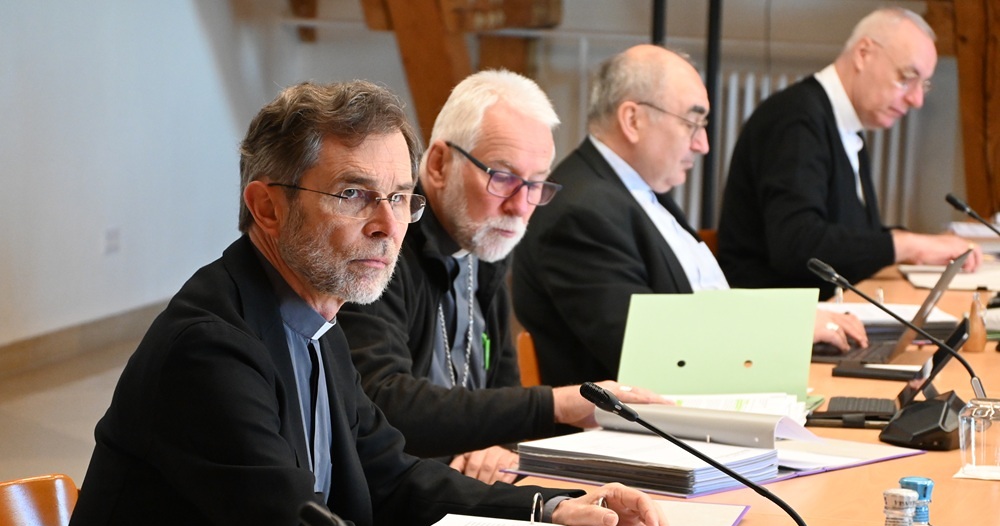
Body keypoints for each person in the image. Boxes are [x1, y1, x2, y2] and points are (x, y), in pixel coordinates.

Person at [33, 81, 671, 526]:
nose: (388, 227)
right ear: (267, 207)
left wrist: (550, 508)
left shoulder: (314, 316)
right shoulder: (209, 349)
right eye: (353, 195)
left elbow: (392, 478)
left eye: (398, 197)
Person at [338, 69, 663, 485]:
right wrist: (556, 405)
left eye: (536, 184)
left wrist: (497, 445)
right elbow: (381, 401)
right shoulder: (383, 244)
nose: (520, 207)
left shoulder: (483, 242)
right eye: (503, 177)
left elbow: (500, 392)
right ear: (438, 164)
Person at [512, 45, 867, 388]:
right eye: (692, 123)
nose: (703, 145)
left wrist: (791, 319)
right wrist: (784, 332)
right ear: (633, 120)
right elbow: (648, 353)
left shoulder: (632, 191)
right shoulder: (582, 213)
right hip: (643, 421)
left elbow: (702, 305)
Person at [717, 6, 981, 300]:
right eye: (907, 77)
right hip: (777, 314)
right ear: (863, 53)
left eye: (924, 85)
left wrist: (922, 244)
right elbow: (797, 245)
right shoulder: (795, 120)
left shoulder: (842, 121)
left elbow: (850, 233)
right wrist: (908, 245)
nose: (916, 99)